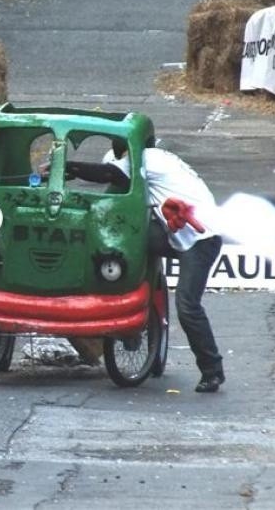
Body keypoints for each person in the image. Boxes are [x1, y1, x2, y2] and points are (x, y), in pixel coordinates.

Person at [64, 138, 225, 393]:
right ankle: (137, 289)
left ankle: (212, 370)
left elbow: (109, 174)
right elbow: (113, 182)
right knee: (127, 242)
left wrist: (70, 166)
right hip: (174, 233)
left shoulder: (151, 159)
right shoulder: (131, 159)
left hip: (200, 238)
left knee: (187, 306)